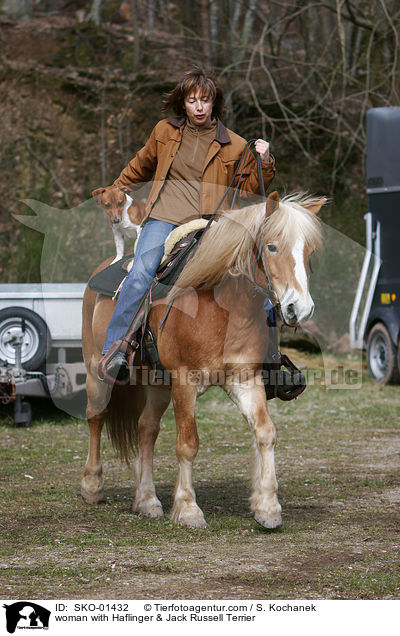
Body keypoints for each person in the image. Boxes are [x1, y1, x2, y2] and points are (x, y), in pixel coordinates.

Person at [94, 65, 277, 385]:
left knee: (254, 275)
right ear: (183, 103)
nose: (199, 107)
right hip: (163, 218)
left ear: (214, 102)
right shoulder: (164, 131)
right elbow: (141, 165)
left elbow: (252, 188)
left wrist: (264, 160)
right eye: (192, 100)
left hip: (210, 225)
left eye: (205, 100)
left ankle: (272, 361)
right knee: (141, 271)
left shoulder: (234, 145)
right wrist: (118, 188)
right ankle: (116, 351)